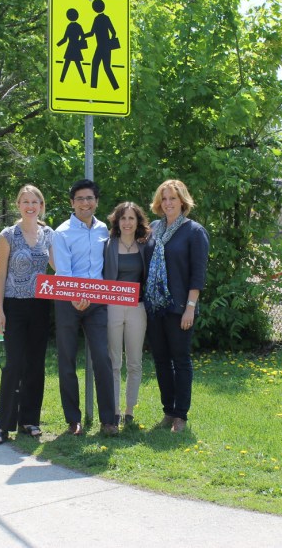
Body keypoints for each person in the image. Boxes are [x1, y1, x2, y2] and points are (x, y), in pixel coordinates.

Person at [0, 185, 54, 445]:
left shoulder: (48, 234)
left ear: (41, 205)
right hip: (14, 306)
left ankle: (29, 421)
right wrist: (0, 311)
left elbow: (57, 267)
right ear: (18, 205)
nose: (30, 206)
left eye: (34, 201)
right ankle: (2, 425)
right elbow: (1, 274)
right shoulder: (8, 235)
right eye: (25, 201)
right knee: (14, 364)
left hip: (40, 306)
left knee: (36, 365)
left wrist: (78, 285)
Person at [143, 180, 209, 433]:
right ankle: (168, 411)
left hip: (181, 307)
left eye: (173, 198)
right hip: (155, 306)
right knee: (161, 360)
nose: (168, 203)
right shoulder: (153, 229)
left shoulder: (194, 231)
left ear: (183, 200)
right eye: (164, 198)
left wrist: (190, 307)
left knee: (180, 360)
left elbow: (198, 273)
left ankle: (181, 414)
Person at [53, 179, 118, 436]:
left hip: (98, 303)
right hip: (68, 302)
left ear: (97, 201)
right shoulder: (62, 232)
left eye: (89, 198)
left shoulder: (104, 229)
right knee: (67, 359)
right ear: (72, 203)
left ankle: (109, 420)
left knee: (103, 357)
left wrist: (92, 295)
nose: (85, 203)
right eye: (79, 199)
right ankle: (73, 420)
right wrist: (75, 296)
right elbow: (63, 271)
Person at [104, 202, 151, 426]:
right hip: (112, 306)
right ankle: (113, 410)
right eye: (123, 218)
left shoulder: (145, 245)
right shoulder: (108, 245)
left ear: (138, 221)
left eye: (131, 218)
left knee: (134, 362)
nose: (127, 222)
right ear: (117, 221)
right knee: (114, 361)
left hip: (137, 308)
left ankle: (129, 411)